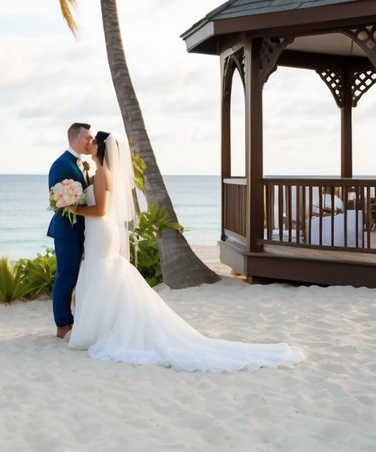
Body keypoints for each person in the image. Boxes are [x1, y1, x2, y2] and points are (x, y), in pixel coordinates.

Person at [65, 132, 304, 371]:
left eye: (94, 140)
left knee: (101, 272)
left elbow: (100, 211)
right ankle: (104, 325)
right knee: (105, 273)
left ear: (103, 149)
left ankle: (100, 328)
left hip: (101, 230)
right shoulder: (103, 173)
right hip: (103, 232)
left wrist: (74, 207)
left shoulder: (101, 174)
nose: (90, 142)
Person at [47, 122, 95, 339]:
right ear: (76, 138)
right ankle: (63, 325)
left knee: (73, 277)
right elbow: (57, 200)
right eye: (87, 137)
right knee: (66, 278)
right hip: (67, 230)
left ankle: (70, 320)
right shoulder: (61, 165)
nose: (90, 141)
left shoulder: (77, 163)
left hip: (78, 230)